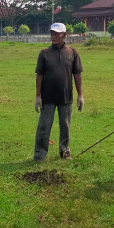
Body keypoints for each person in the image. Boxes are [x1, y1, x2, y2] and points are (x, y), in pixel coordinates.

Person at [34, 22, 84, 161]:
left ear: (64, 35)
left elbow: (77, 74)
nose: (54, 36)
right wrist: (38, 96)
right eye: (52, 33)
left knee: (65, 126)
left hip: (66, 96)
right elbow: (39, 75)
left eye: (57, 34)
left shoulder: (72, 52)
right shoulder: (44, 53)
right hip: (47, 97)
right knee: (44, 126)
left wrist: (80, 95)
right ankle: (39, 155)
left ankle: (65, 151)